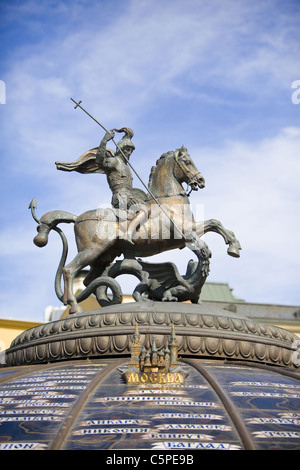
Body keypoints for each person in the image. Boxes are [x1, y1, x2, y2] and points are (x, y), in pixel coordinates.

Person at [56, 128, 147, 244]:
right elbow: (100, 161)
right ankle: (127, 234)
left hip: (130, 197)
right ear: (121, 150)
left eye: (131, 151)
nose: (129, 153)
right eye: (127, 150)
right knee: (143, 210)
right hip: (121, 197)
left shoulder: (127, 167)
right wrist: (105, 140)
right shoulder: (114, 162)